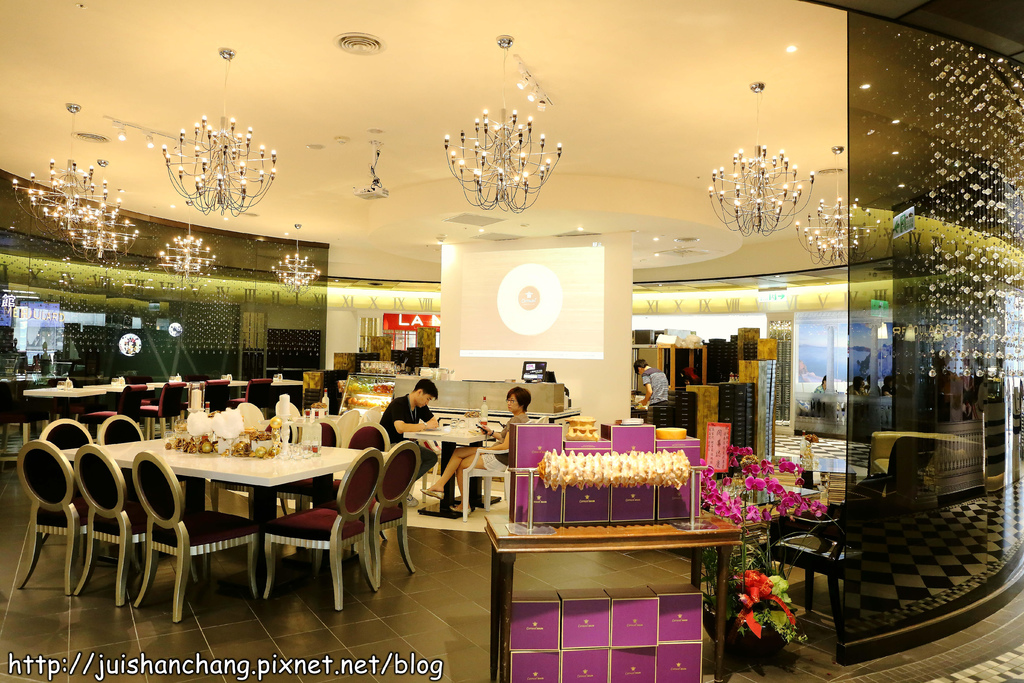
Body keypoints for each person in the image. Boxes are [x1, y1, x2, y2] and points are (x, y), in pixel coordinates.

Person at [424, 386, 532, 512]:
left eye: (512, 400)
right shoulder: (524, 418)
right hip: (504, 456)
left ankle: (463, 503)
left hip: (500, 458)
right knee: (458, 452)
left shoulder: (516, 420)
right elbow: (505, 439)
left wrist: (484, 450)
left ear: (522, 403)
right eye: (508, 400)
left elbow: (505, 446)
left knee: (462, 465)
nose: (509, 403)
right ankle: (441, 486)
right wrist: (491, 433)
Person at [379, 378, 440, 507]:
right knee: (416, 457)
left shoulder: (420, 406)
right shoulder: (399, 404)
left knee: (431, 457)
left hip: (407, 445)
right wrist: (424, 426)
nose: (427, 402)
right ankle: (399, 491)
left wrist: (421, 426)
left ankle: (400, 488)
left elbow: (434, 423)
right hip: (391, 445)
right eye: (427, 398)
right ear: (419, 392)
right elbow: (400, 428)